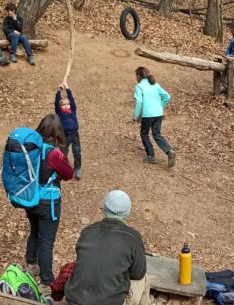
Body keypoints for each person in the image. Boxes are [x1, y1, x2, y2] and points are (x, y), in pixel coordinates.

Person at [51, 190, 150, 305]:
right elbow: (138, 273)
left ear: (104, 208)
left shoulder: (87, 232)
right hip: (111, 302)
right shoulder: (133, 237)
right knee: (145, 278)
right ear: (128, 212)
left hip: (74, 300)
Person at [25, 114, 73, 297]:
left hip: (31, 199)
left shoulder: (32, 149)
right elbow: (68, 174)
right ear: (57, 132)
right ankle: (46, 281)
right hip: (49, 202)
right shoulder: (54, 153)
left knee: (34, 231)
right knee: (46, 241)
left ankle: (31, 265)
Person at [133, 67, 176, 168]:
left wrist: (136, 116)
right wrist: (159, 106)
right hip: (158, 114)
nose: (136, 78)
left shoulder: (139, 86)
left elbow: (139, 102)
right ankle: (169, 151)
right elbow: (167, 96)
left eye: (136, 76)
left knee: (144, 134)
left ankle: (151, 156)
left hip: (147, 115)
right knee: (157, 134)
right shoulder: (156, 85)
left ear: (139, 76)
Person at [55, 81, 82, 180]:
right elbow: (56, 103)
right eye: (63, 105)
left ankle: (78, 168)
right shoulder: (60, 113)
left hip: (75, 134)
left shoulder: (73, 110)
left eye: (67, 104)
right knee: (63, 153)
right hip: (64, 135)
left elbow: (71, 100)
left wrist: (67, 88)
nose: (66, 106)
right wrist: (58, 91)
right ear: (60, 107)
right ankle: (63, 168)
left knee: (77, 152)